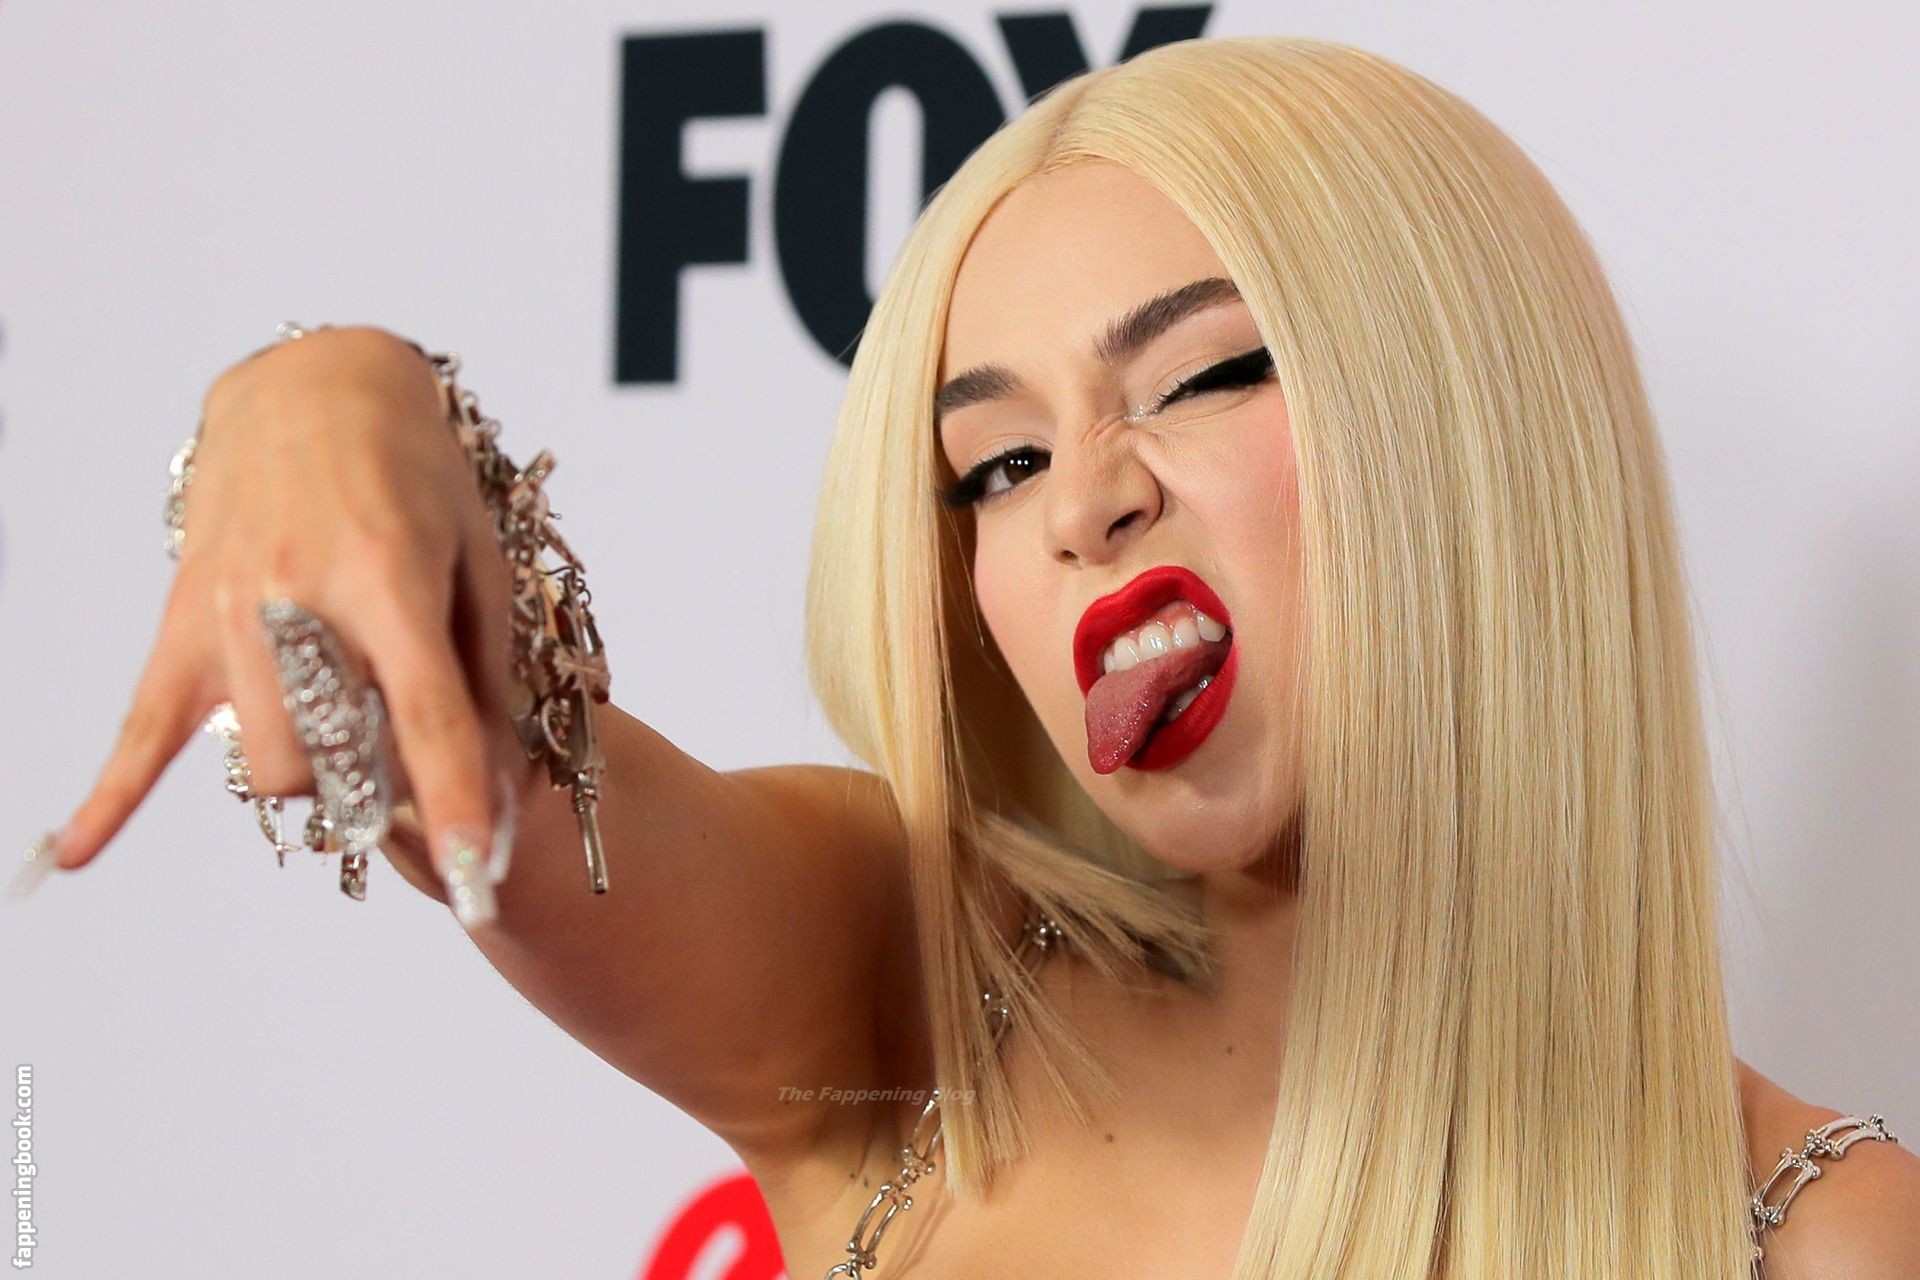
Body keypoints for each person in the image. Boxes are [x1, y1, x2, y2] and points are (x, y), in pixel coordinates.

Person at [23, 33, 1918, 1280]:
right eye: (996, 465)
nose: (1084, 502)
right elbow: (485, 741)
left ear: (1477, 421)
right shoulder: (906, 987)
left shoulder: (1812, 1232)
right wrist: (319, 403)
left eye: (1200, 375)